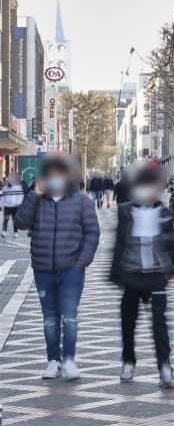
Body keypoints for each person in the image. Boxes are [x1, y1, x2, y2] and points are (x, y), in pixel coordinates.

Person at [14, 153, 100, 380]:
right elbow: (21, 223)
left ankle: (69, 360)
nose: (55, 178)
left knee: (69, 316)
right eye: (50, 174)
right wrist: (34, 195)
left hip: (72, 267)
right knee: (50, 317)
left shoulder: (82, 201)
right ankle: (53, 360)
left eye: (59, 173)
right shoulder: (36, 198)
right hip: (43, 268)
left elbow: (92, 232)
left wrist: (83, 261)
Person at [109, 160, 174, 389]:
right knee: (128, 323)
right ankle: (128, 360)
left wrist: (169, 270)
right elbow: (119, 243)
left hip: (156, 275)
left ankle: (165, 367)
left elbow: (171, 244)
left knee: (159, 324)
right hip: (131, 275)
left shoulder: (164, 213)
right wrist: (115, 273)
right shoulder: (126, 212)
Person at [1, 173, 25, 238]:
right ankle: (4, 232)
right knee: (6, 219)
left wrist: (19, 203)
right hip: (7, 207)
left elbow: (21, 196)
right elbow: (3, 197)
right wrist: (1, 205)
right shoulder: (5, 188)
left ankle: (16, 232)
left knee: (15, 220)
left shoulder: (18, 188)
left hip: (15, 207)